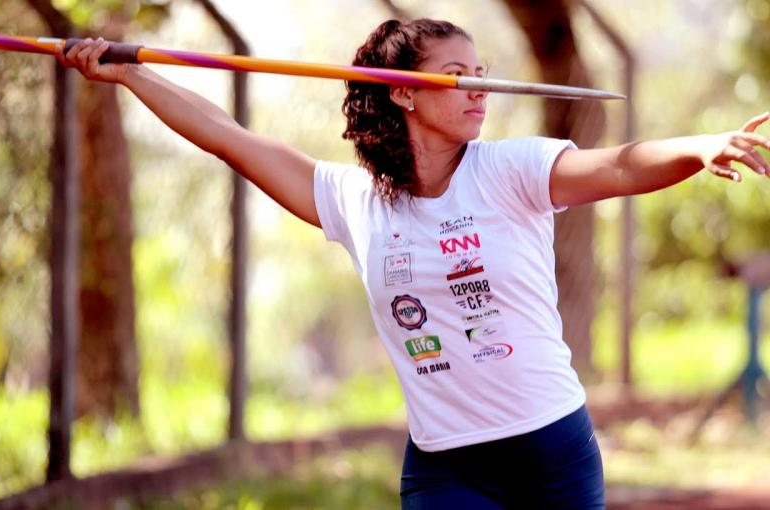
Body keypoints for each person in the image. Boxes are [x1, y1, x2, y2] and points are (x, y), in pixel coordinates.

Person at [57, 18, 770, 510]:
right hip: (445, 463)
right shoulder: (351, 200)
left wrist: (698, 146)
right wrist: (128, 76)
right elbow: (228, 137)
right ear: (400, 89)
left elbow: (617, 166)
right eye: (455, 74)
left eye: (482, 73)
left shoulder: (512, 170)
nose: (479, 88)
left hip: (550, 451)